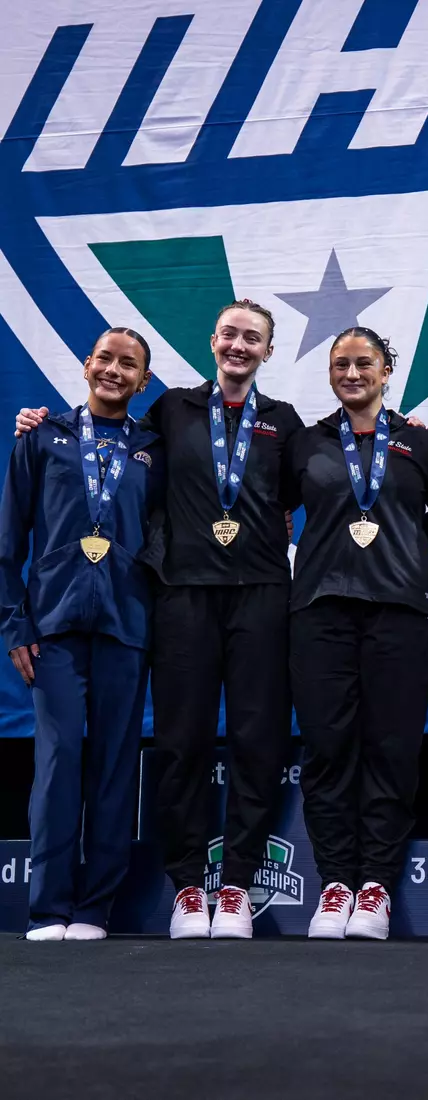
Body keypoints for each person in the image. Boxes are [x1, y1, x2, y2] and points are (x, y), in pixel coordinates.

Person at [15, 300, 303, 940]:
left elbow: (327, 476)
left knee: (251, 744)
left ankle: (230, 888)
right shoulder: (169, 412)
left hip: (241, 600)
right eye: (228, 332)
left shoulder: (279, 422)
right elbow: (92, 454)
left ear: (267, 351)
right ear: (211, 339)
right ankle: (183, 888)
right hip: (172, 603)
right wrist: (37, 423)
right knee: (173, 748)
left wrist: (410, 430)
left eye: (251, 338)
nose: (238, 345)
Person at [286, 327, 428, 940]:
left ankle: (377, 886)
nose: (352, 373)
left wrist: (402, 543)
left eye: (364, 363)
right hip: (319, 611)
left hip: (401, 611)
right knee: (328, 750)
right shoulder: (303, 443)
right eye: (341, 364)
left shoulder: (421, 444)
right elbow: (268, 504)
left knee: (391, 749)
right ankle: (336, 885)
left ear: (388, 371)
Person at [0, 328, 162, 941]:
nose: (115, 371)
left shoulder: (154, 447)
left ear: (144, 381)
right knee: (60, 759)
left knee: (116, 765)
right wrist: (16, 624)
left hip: (127, 625)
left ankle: (95, 909)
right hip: (54, 628)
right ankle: (49, 907)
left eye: (129, 365)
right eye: (106, 359)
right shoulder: (41, 437)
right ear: (85, 363)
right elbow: (7, 544)